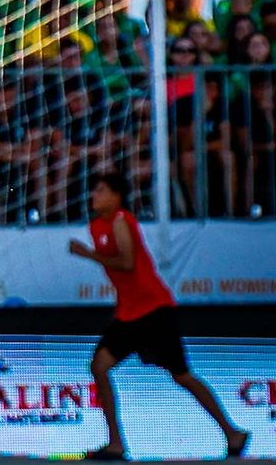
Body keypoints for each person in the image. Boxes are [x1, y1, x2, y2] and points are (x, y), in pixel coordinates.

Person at [69, 173, 248, 460]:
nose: (94, 196)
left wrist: (88, 255)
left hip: (153, 311)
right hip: (129, 314)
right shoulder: (96, 226)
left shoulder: (121, 220)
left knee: (182, 376)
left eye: (100, 191)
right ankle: (115, 442)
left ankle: (232, 432)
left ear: (116, 196)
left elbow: (127, 263)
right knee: (99, 366)